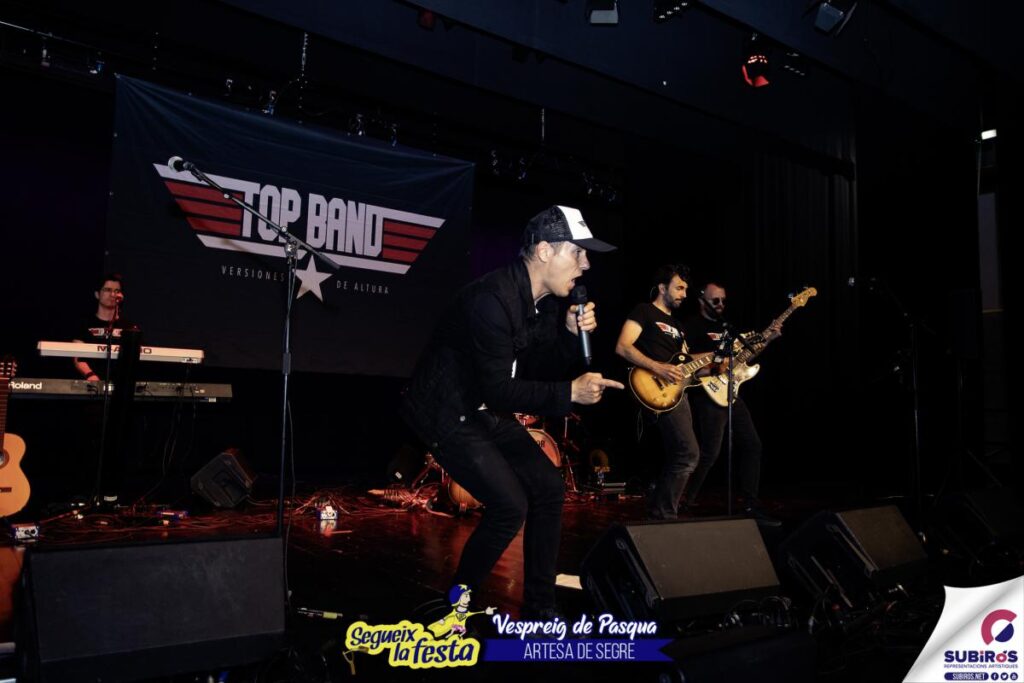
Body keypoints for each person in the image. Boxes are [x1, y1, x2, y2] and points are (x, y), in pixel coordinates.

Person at [400, 205, 622, 619]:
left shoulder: (541, 302)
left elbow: (535, 370)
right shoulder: (491, 300)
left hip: (484, 407)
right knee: (509, 507)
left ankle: (540, 607)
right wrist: (569, 392)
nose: (586, 264)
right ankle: (455, 609)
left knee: (549, 488)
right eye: (578, 253)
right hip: (447, 410)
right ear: (544, 251)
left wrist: (570, 336)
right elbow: (501, 390)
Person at [681, 282, 778, 517]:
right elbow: (684, 360)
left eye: (723, 300)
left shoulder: (727, 328)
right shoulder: (692, 326)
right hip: (709, 393)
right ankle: (683, 500)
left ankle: (750, 501)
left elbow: (743, 357)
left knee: (753, 444)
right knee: (709, 453)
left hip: (732, 392)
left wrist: (769, 338)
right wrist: (716, 361)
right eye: (716, 300)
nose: (721, 304)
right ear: (702, 300)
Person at [614, 264, 701, 520]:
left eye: (686, 289)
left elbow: (686, 364)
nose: (684, 294)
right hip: (654, 386)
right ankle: (663, 513)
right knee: (688, 453)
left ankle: (659, 509)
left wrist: (719, 360)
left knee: (680, 453)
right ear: (662, 288)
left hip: (677, 392)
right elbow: (622, 346)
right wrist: (657, 367)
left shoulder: (678, 325)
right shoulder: (644, 311)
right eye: (679, 288)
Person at [73, 273, 127, 382]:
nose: (113, 294)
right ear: (97, 294)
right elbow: (77, 357)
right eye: (107, 290)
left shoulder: (129, 327)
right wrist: (91, 375)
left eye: (117, 291)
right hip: (92, 383)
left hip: (120, 385)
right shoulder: (84, 324)